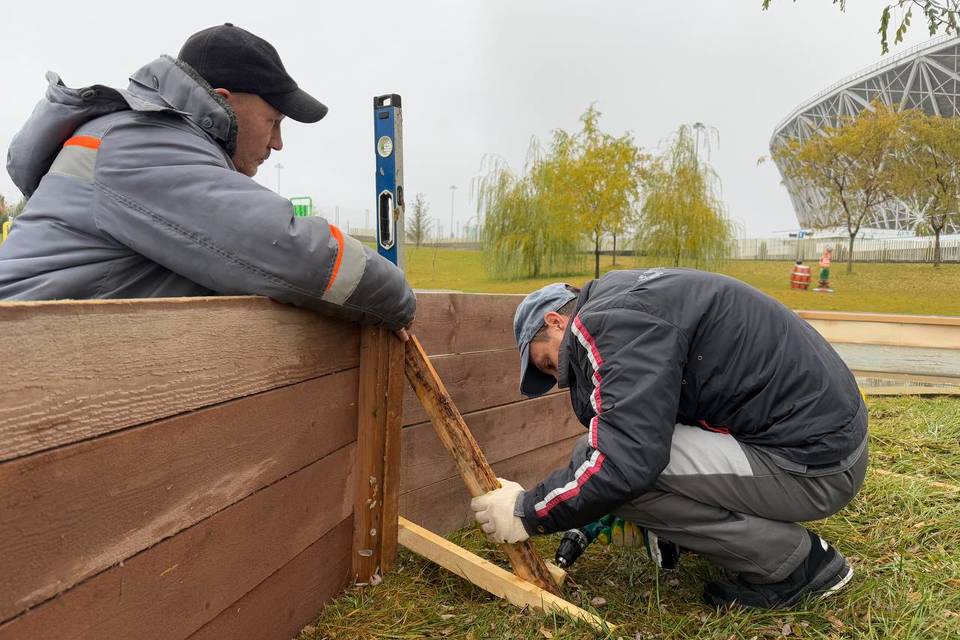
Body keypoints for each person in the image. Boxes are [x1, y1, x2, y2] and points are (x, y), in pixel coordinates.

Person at [471, 268, 868, 609]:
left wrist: (527, 511)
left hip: (814, 466)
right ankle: (693, 535)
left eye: (546, 361)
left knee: (614, 468)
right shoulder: (630, 301)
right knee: (607, 462)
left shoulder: (606, 324)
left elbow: (624, 460)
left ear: (557, 321)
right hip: (823, 443)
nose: (559, 377)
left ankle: (797, 565)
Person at [0, 24, 414, 335]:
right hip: (20, 373)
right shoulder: (142, 142)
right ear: (222, 100)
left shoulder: (152, 144)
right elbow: (289, 252)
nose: (278, 143)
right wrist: (402, 300)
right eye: (273, 122)